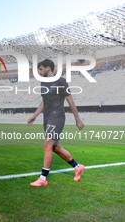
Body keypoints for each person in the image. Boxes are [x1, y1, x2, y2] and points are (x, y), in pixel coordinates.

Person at [27, 59, 85, 187]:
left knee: (47, 144)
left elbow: (70, 101)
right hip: (47, 117)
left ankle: (43, 178)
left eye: (41, 69)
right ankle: (77, 166)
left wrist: (77, 119)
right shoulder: (43, 83)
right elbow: (44, 102)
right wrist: (35, 116)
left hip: (57, 116)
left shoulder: (60, 81)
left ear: (48, 68)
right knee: (55, 147)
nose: (39, 72)